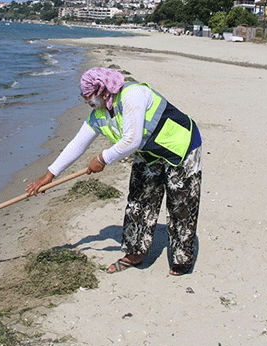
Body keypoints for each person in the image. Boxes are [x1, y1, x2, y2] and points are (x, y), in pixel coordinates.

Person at [26, 67, 202, 276]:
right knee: (138, 203)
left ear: (102, 89)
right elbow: (77, 145)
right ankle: (134, 253)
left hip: (180, 146)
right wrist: (49, 175)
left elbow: (131, 140)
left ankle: (182, 260)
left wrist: (102, 159)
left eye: (89, 96)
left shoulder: (132, 95)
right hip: (149, 152)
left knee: (181, 206)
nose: (87, 101)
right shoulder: (99, 114)